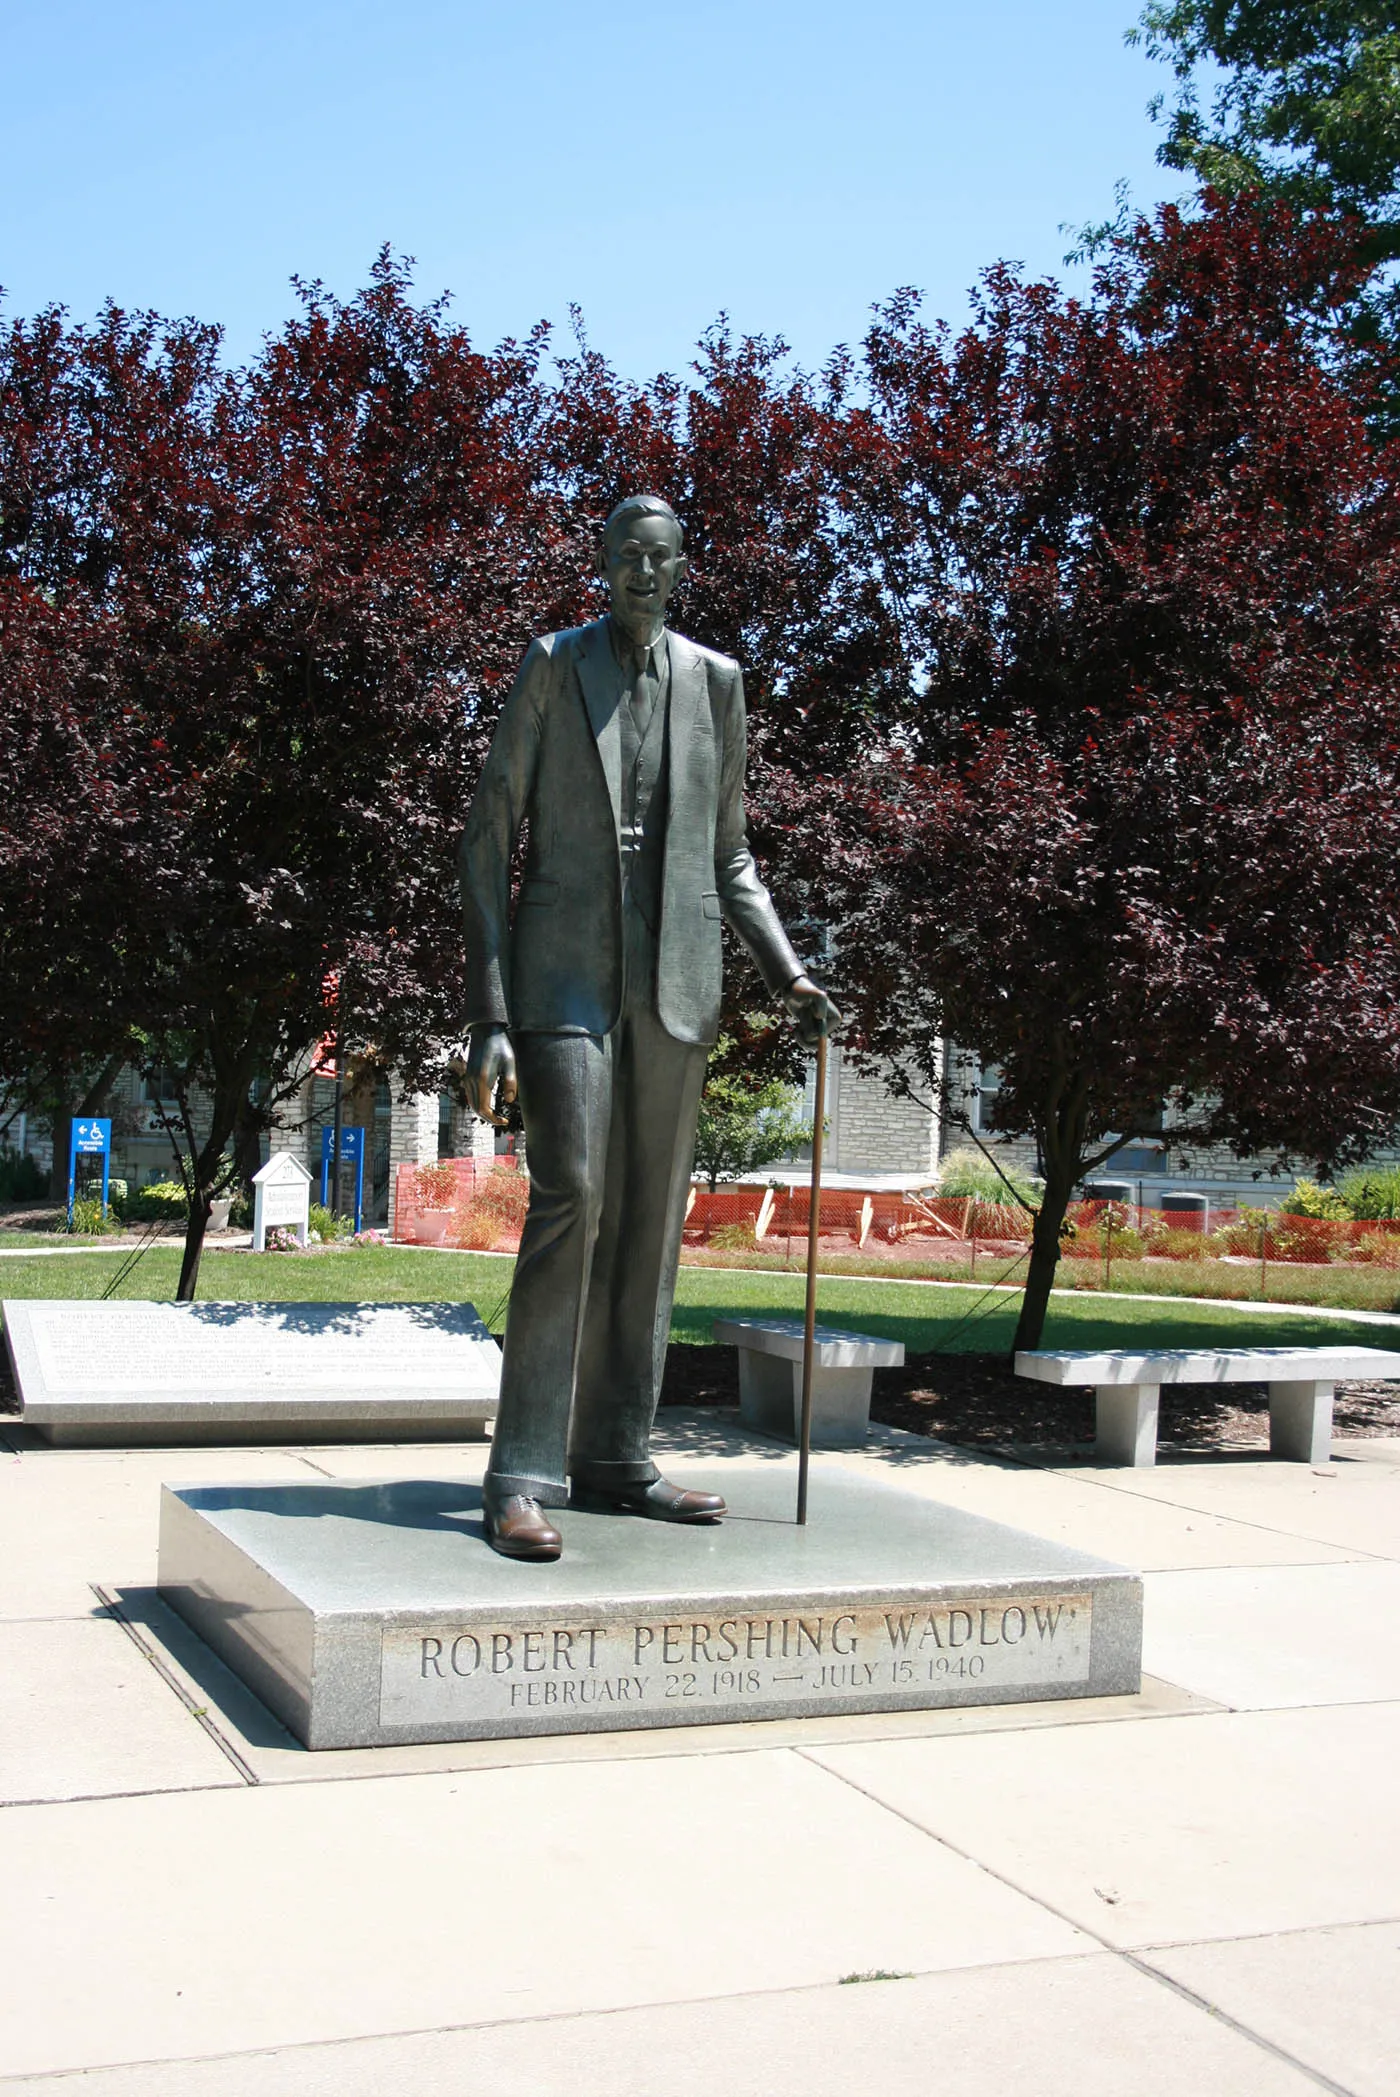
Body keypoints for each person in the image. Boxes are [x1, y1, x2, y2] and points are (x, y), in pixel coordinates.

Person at [460, 494, 836, 1560]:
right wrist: (487, 1013)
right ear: (600, 562)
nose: (639, 571)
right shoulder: (552, 665)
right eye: (623, 553)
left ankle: (617, 1455)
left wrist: (787, 973)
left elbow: (728, 857)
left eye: (658, 558)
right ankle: (521, 1470)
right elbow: (489, 839)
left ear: (678, 570)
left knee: (648, 1220)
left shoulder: (714, 683)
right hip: (563, 978)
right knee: (573, 1192)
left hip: (673, 983)